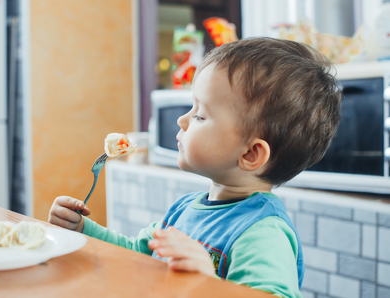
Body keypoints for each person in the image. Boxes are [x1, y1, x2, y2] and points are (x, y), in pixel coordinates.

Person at [48, 37, 341, 298]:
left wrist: (208, 284)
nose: (182, 120)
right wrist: (84, 229)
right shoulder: (184, 210)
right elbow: (139, 255)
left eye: (200, 115)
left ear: (251, 154)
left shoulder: (261, 232)